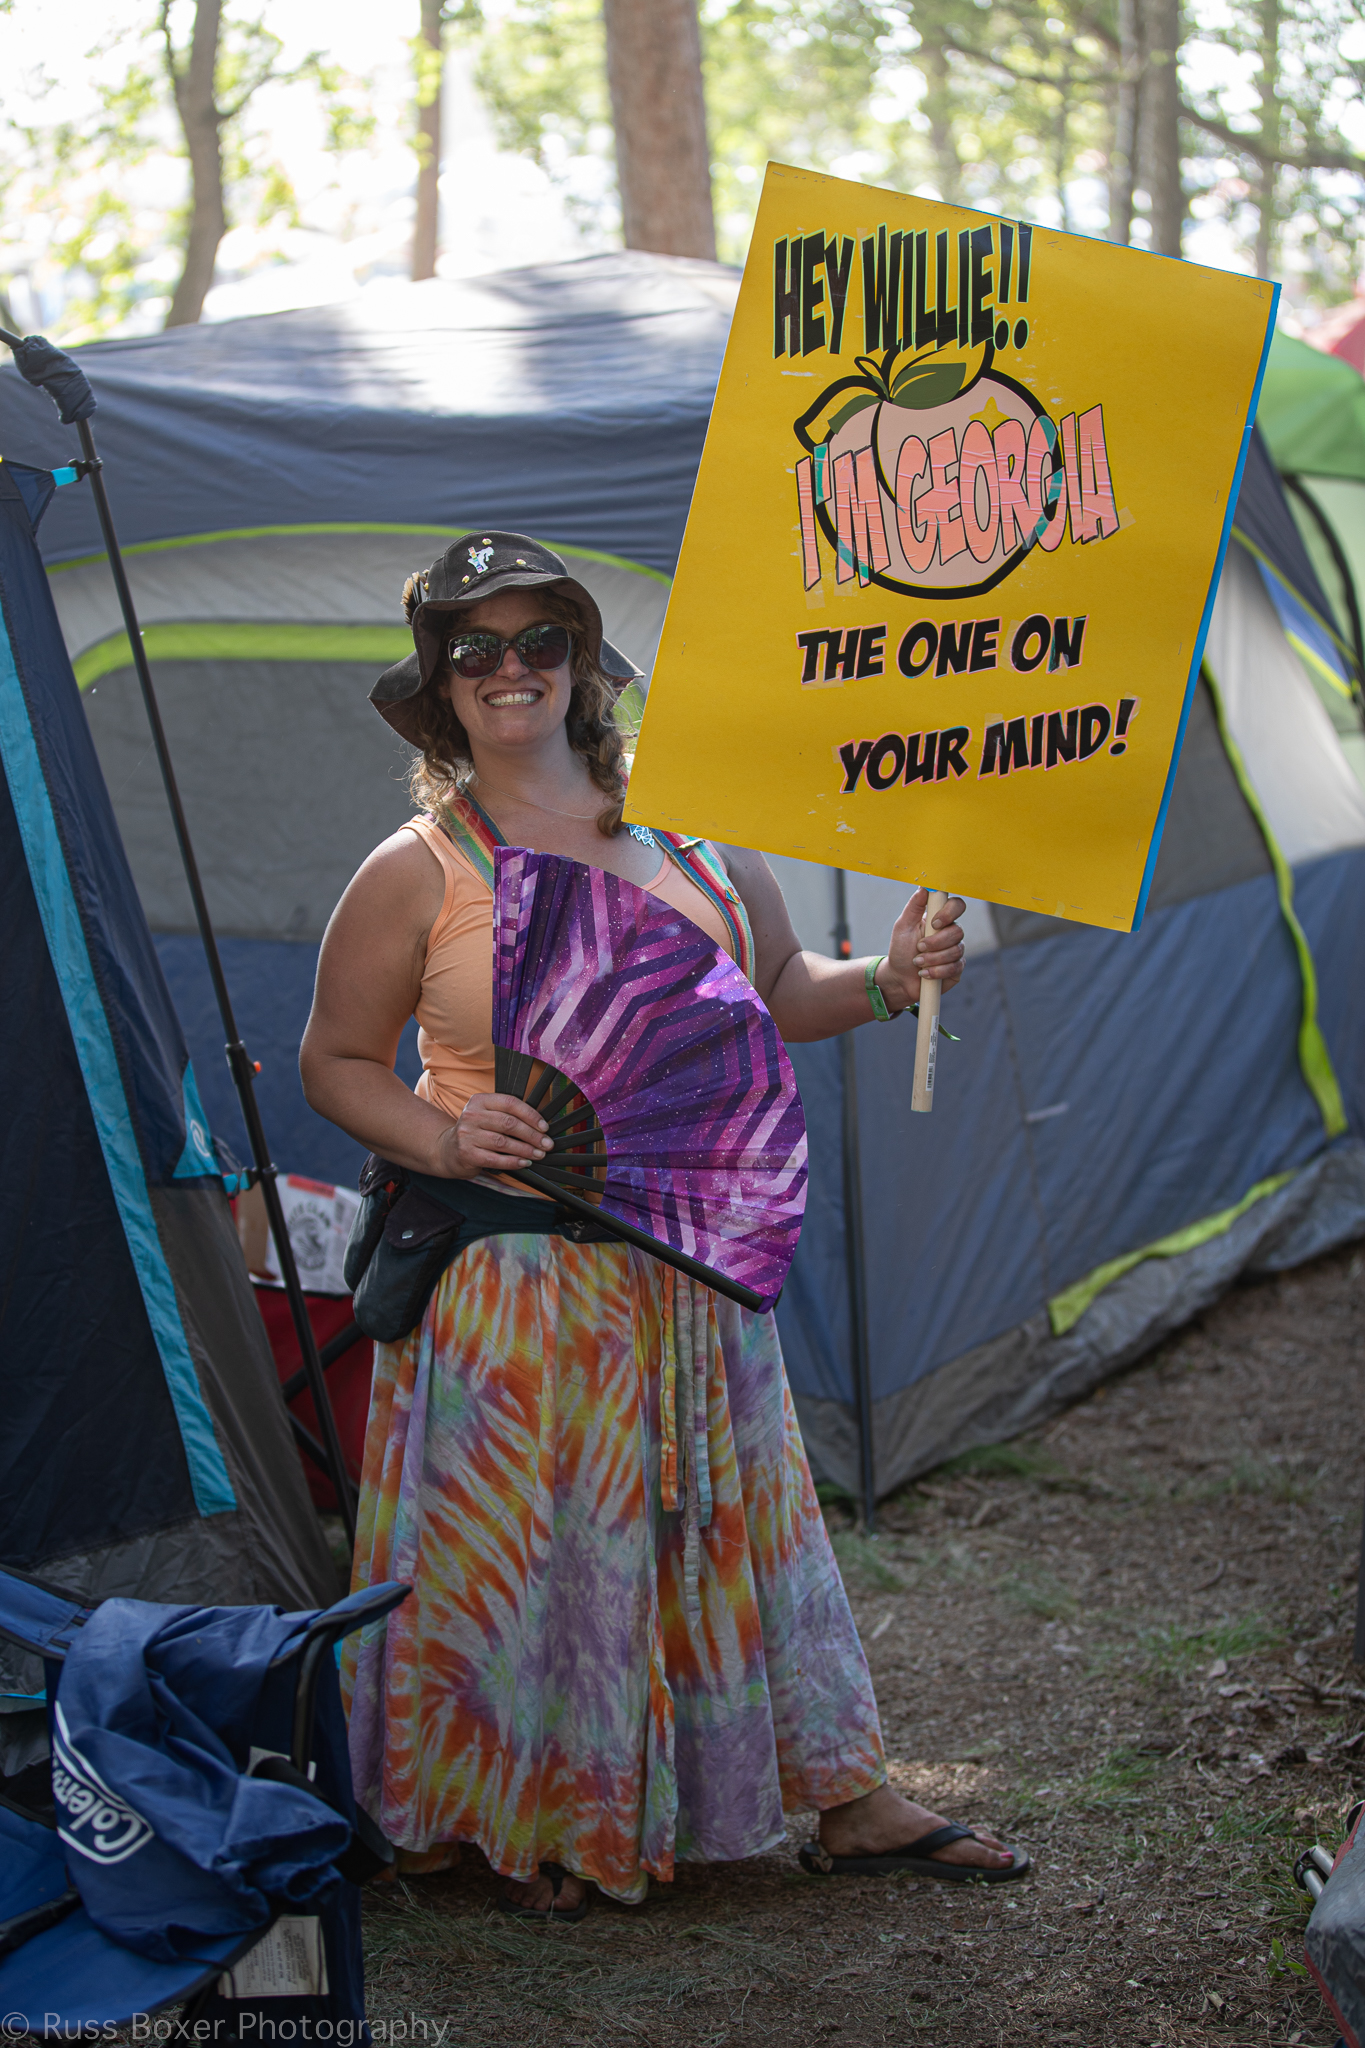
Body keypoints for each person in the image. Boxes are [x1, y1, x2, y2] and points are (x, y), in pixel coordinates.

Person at [301, 533, 1028, 1920]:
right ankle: (531, 1813)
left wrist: (889, 974)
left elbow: (776, 989)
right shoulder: (416, 869)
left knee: (744, 1536)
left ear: (581, 665)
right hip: (510, 1281)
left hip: (689, 1271)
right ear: (439, 688)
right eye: (476, 651)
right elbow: (332, 1062)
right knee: (531, 1554)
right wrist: (444, 1132)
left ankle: (842, 1797)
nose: (510, 672)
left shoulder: (690, 836)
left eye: (539, 644)